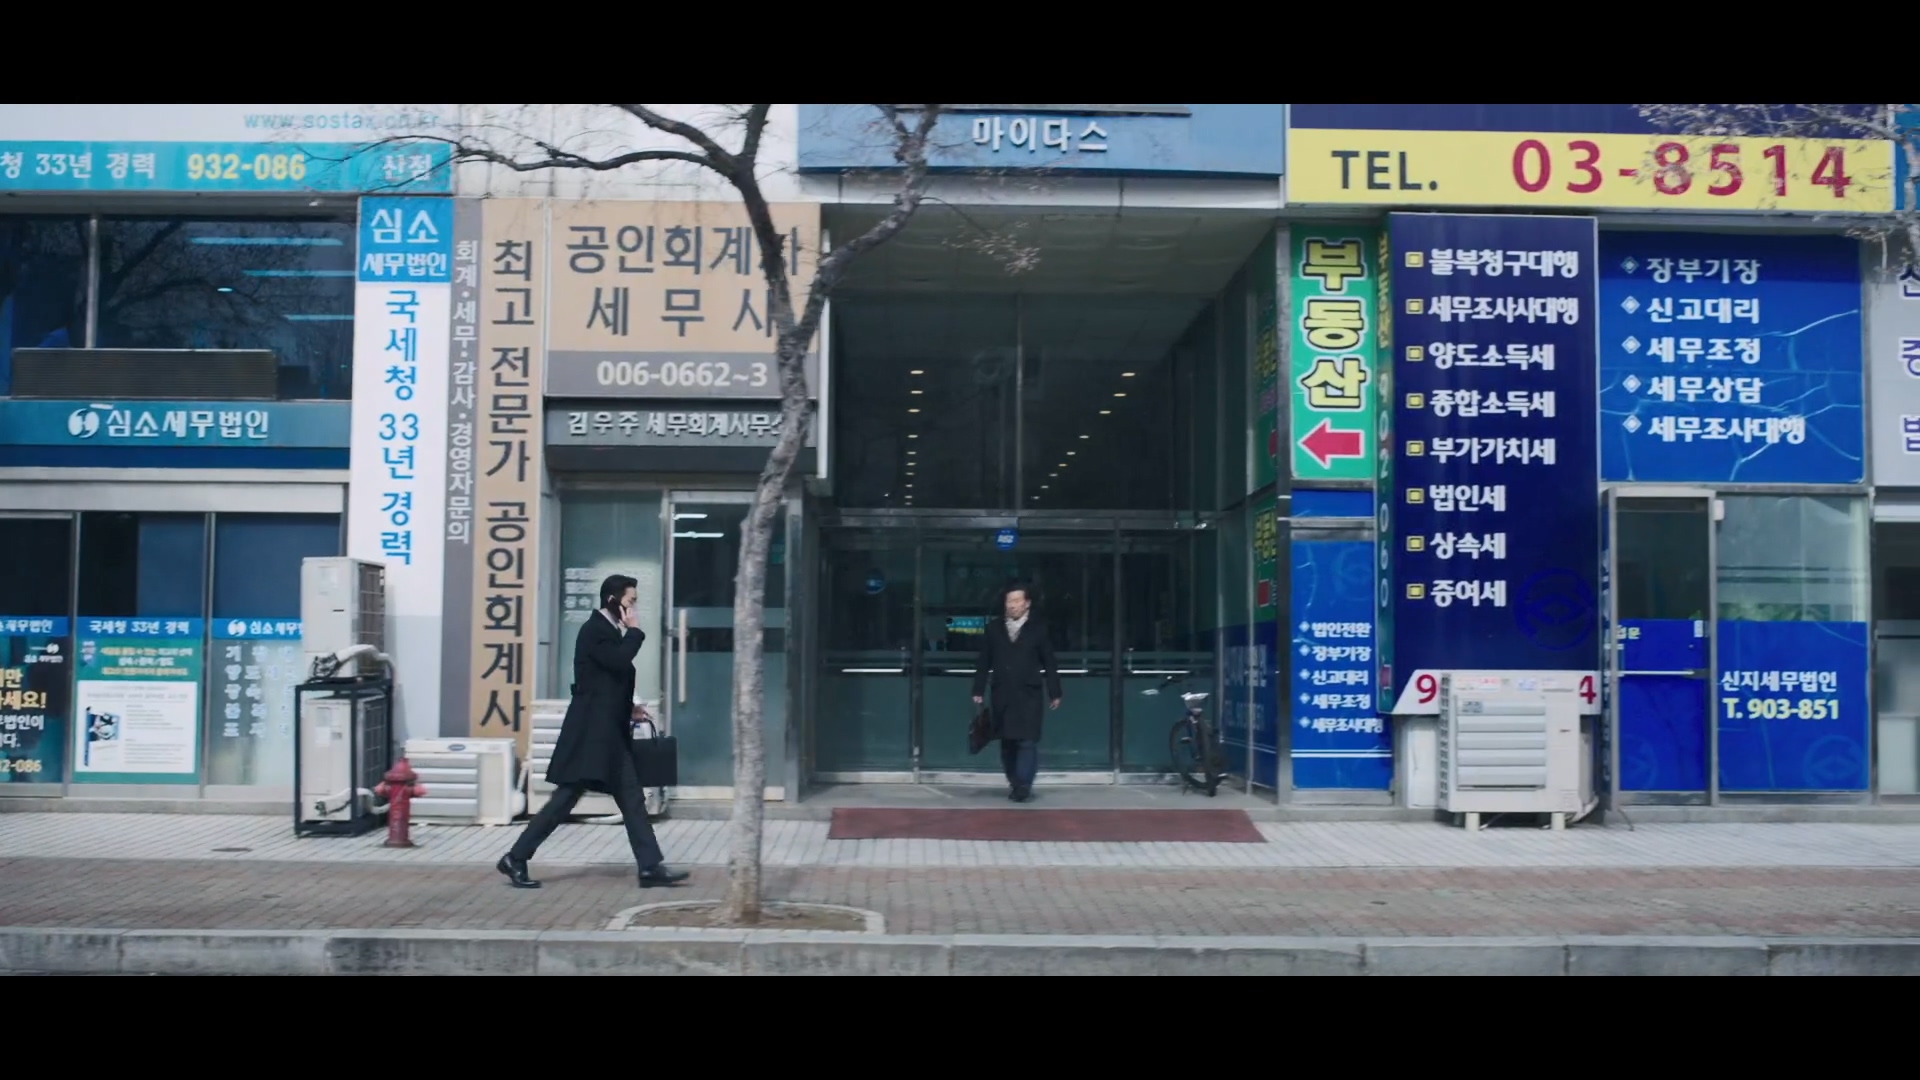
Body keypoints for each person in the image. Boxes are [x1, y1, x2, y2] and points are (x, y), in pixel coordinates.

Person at [498, 573, 687, 890]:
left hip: (609, 736)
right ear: (613, 601)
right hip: (591, 738)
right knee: (564, 800)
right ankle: (516, 857)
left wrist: (629, 707)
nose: (634, 608)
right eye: (630, 601)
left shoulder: (608, 631)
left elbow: (605, 681)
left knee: (632, 799)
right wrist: (635, 631)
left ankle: (650, 867)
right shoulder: (595, 630)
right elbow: (618, 661)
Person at [971, 582, 1061, 802]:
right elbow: (984, 661)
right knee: (1008, 742)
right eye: (1008, 601)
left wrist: (1055, 691)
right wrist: (978, 689)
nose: (1012, 605)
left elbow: (1049, 662)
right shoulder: (994, 628)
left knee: (1027, 740)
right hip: (1002, 693)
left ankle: (1024, 785)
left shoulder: (1038, 628)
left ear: (1026, 603)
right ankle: (1014, 781)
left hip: (1029, 694)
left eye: (1016, 601)